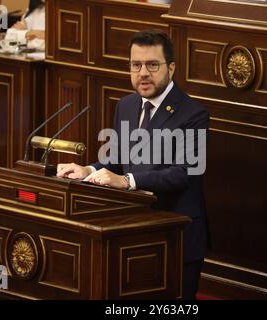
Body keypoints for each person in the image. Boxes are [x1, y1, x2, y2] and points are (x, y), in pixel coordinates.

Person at [56, 29, 209, 300]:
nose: (143, 73)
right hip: (131, 233)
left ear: (171, 68)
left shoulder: (193, 114)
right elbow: (117, 159)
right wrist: (88, 170)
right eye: (136, 65)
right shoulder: (126, 105)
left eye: (152, 64)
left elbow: (183, 174)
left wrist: (127, 181)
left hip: (176, 236)